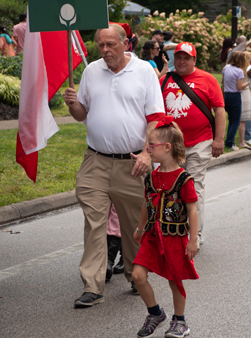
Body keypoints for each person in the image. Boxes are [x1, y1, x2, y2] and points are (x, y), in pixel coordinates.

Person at [63, 24, 165, 307]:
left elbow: (156, 117)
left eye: (110, 44)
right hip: (95, 160)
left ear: (126, 43)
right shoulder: (91, 71)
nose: (105, 50)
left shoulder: (144, 71)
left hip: (133, 162)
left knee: (134, 225)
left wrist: (147, 154)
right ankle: (92, 286)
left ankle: (135, 274)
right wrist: (72, 104)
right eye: (100, 45)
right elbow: (82, 114)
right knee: (94, 223)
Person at [132, 116, 198, 338]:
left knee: (174, 279)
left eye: (152, 146)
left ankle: (180, 321)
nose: (148, 149)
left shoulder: (184, 179)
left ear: (168, 147)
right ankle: (155, 313)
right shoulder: (151, 177)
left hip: (175, 238)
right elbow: (146, 204)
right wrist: (140, 229)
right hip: (152, 236)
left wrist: (194, 240)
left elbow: (192, 210)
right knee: (138, 275)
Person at [160, 42, 225, 246]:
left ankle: (194, 234)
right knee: (171, 189)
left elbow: (220, 110)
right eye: (178, 57)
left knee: (193, 187)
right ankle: (172, 228)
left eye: (186, 58)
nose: (181, 61)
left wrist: (219, 139)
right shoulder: (164, 81)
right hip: (171, 145)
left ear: (194, 60)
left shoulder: (208, 80)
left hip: (200, 142)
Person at [222, 51, 250, 150]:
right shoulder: (239, 71)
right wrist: (248, 83)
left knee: (231, 119)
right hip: (235, 96)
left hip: (226, 95)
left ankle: (228, 140)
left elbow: (222, 82)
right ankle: (230, 142)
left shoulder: (226, 68)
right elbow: (239, 87)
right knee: (235, 121)